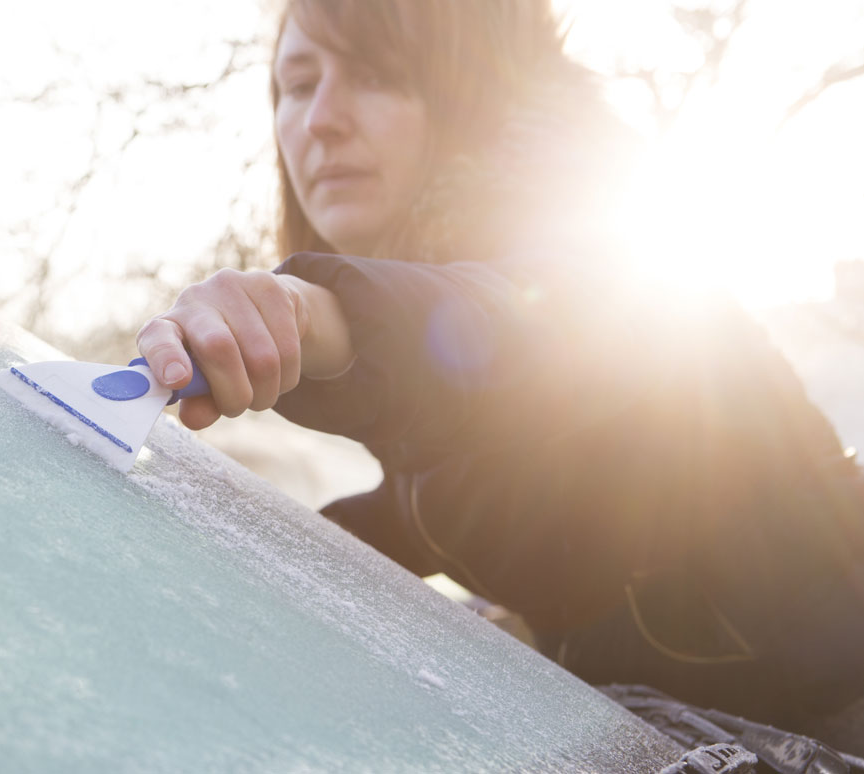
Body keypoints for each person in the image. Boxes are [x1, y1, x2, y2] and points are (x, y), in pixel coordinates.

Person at [135, 0, 864, 748]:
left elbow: (521, 332)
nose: (319, 118)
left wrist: (314, 313)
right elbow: (474, 497)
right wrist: (251, 546)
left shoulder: (602, 249)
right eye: (295, 84)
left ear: (471, 92)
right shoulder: (427, 296)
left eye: (377, 75)